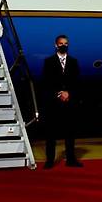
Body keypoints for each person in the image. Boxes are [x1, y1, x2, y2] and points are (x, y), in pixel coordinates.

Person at [40, 35, 83, 169]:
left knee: (70, 132)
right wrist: (59, 93)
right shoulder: (48, 62)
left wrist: (69, 93)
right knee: (51, 133)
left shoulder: (74, 62)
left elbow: (77, 82)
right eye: (61, 43)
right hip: (54, 102)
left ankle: (71, 159)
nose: (63, 45)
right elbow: (46, 82)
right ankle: (50, 160)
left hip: (70, 102)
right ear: (56, 45)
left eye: (66, 43)